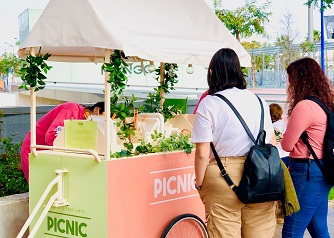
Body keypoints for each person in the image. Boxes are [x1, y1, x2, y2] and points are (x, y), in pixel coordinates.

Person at [191, 48, 277, 238]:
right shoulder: (259, 101)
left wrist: (200, 184)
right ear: (238, 71)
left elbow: (202, 153)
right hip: (260, 174)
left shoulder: (209, 103)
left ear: (212, 73)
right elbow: (271, 143)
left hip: (223, 175)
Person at [281, 57, 334, 238]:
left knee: (291, 232)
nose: (288, 83)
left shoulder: (304, 106)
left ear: (299, 79)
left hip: (306, 172)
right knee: (319, 229)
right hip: (323, 169)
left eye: (290, 78)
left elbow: (286, 144)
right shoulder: (326, 103)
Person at [21, 101, 105, 182]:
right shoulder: (72, 109)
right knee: (40, 190)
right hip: (35, 149)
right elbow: (51, 136)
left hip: (50, 154)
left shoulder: (84, 121)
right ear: (96, 110)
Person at [269, 103, 290, 167]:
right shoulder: (285, 124)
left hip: (277, 156)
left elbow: (272, 143)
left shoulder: (270, 127)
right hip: (287, 154)